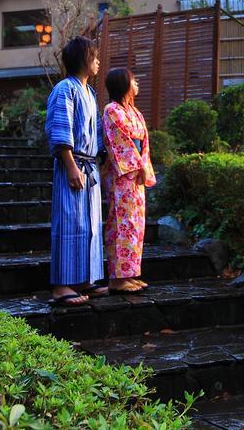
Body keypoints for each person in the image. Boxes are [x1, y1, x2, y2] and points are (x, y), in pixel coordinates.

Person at [44, 36, 107, 306]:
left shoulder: (90, 93)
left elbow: (98, 132)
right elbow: (60, 129)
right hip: (72, 163)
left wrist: (100, 157)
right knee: (69, 223)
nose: (98, 61)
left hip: (89, 166)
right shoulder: (64, 89)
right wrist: (70, 166)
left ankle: (84, 279)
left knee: (90, 225)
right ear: (83, 59)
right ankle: (61, 286)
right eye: (94, 57)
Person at [101, 67, 156, 294]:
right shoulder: (112, 110)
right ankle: (117, 278)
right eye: (134, 81)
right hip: (122, 176)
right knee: (122, 224)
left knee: (136, 225)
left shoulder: (136, 112)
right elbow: (119, 142)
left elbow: (144, 144)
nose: (137, 84)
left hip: (136, 176)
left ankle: (130, 273)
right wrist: (138, 167)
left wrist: (144, 168)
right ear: (123, 84)